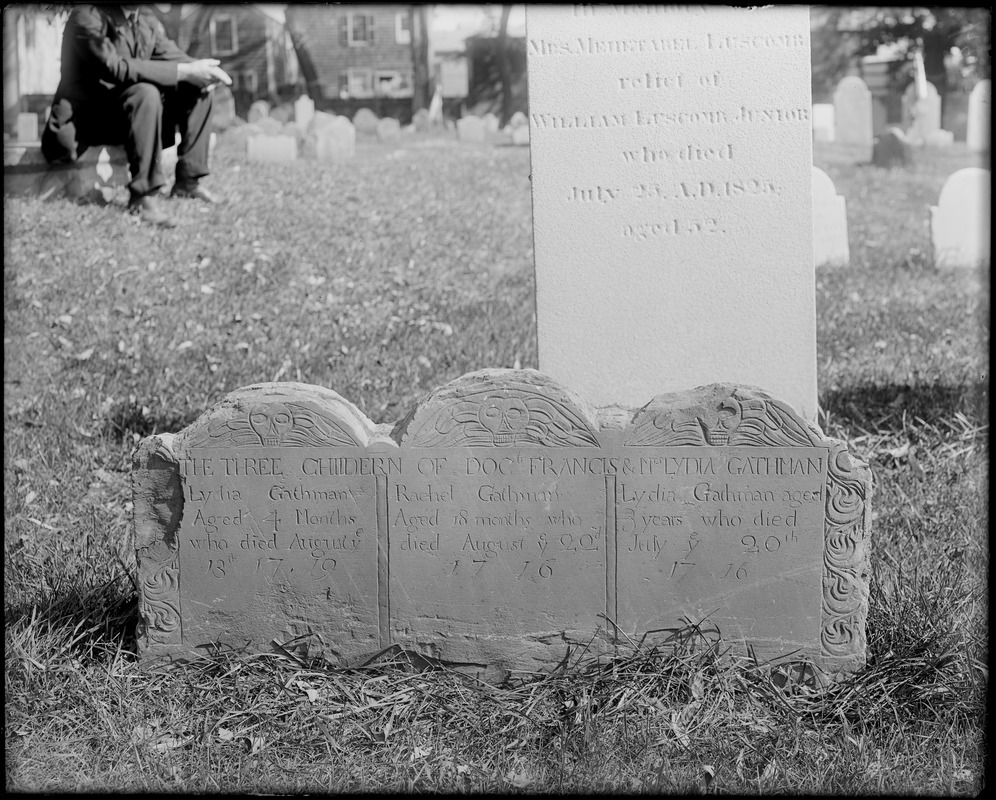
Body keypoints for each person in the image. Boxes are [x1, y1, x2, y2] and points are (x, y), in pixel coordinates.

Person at [42, 4, 232, 227]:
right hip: (86, 121)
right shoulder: (87, 15)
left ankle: (187, 182)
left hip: (129, 116)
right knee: (146, 92)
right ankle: (142, 196)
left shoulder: (144, 19)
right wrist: (186, 71)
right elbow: (115, 68)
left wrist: (202, 69)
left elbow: (171, 56)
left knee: (196, 87)